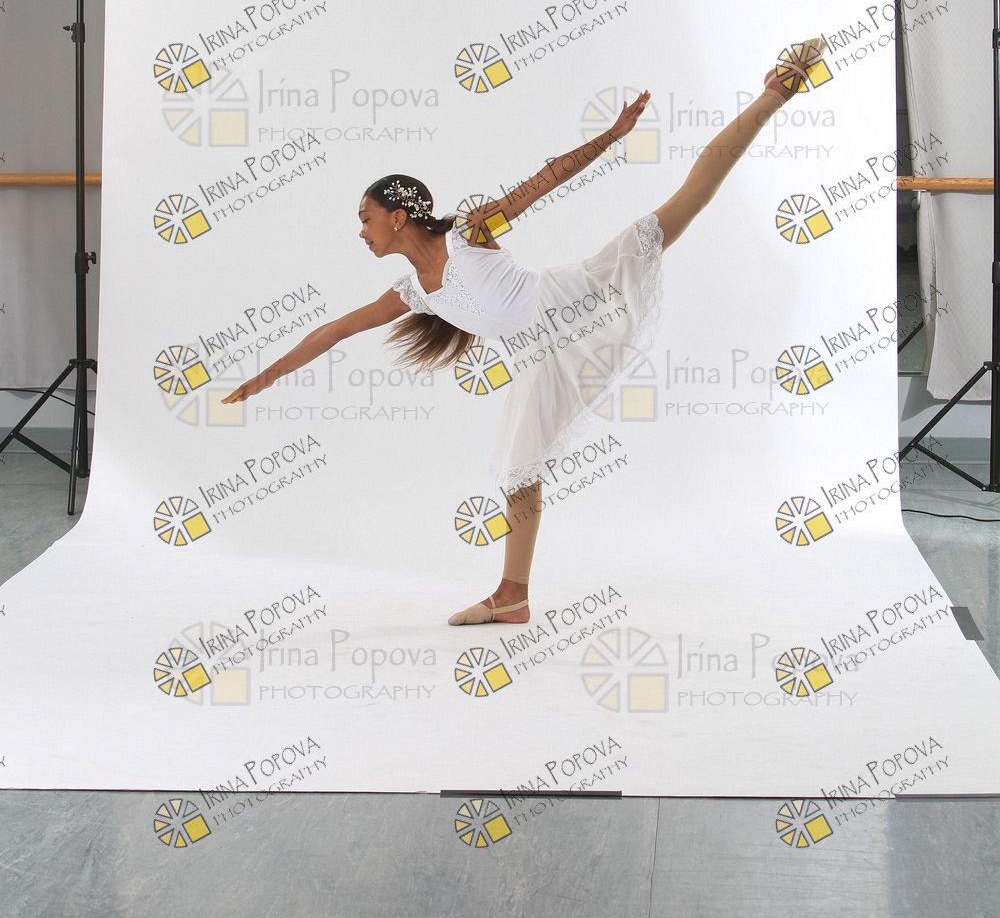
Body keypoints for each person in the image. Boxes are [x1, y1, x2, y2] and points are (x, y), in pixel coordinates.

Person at [222, 37, 827, 628]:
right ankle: (512, 598)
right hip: (541, 354)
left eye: (366, 219)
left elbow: (545, 180)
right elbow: (333, 331)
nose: (361, 232)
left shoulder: (469, 234)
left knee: (688, 199)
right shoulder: (412, 293)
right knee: (519, 467)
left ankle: (776, 91)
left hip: (576, 298)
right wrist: (265, 376)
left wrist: (612, 136)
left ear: (398, 216)